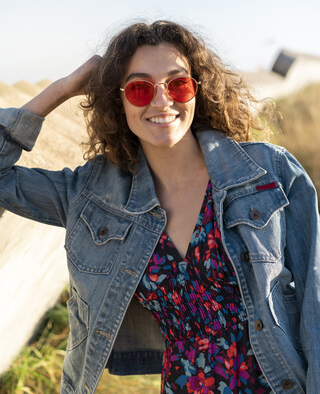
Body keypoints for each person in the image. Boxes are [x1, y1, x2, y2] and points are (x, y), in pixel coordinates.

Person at [0, 20, 319, 394]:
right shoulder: (92, 196)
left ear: (198, 90)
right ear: (118, 100)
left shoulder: (268, 171)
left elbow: (315, 299)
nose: (162, 100)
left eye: (177, 83)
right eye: (139, 89)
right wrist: (62, 89)